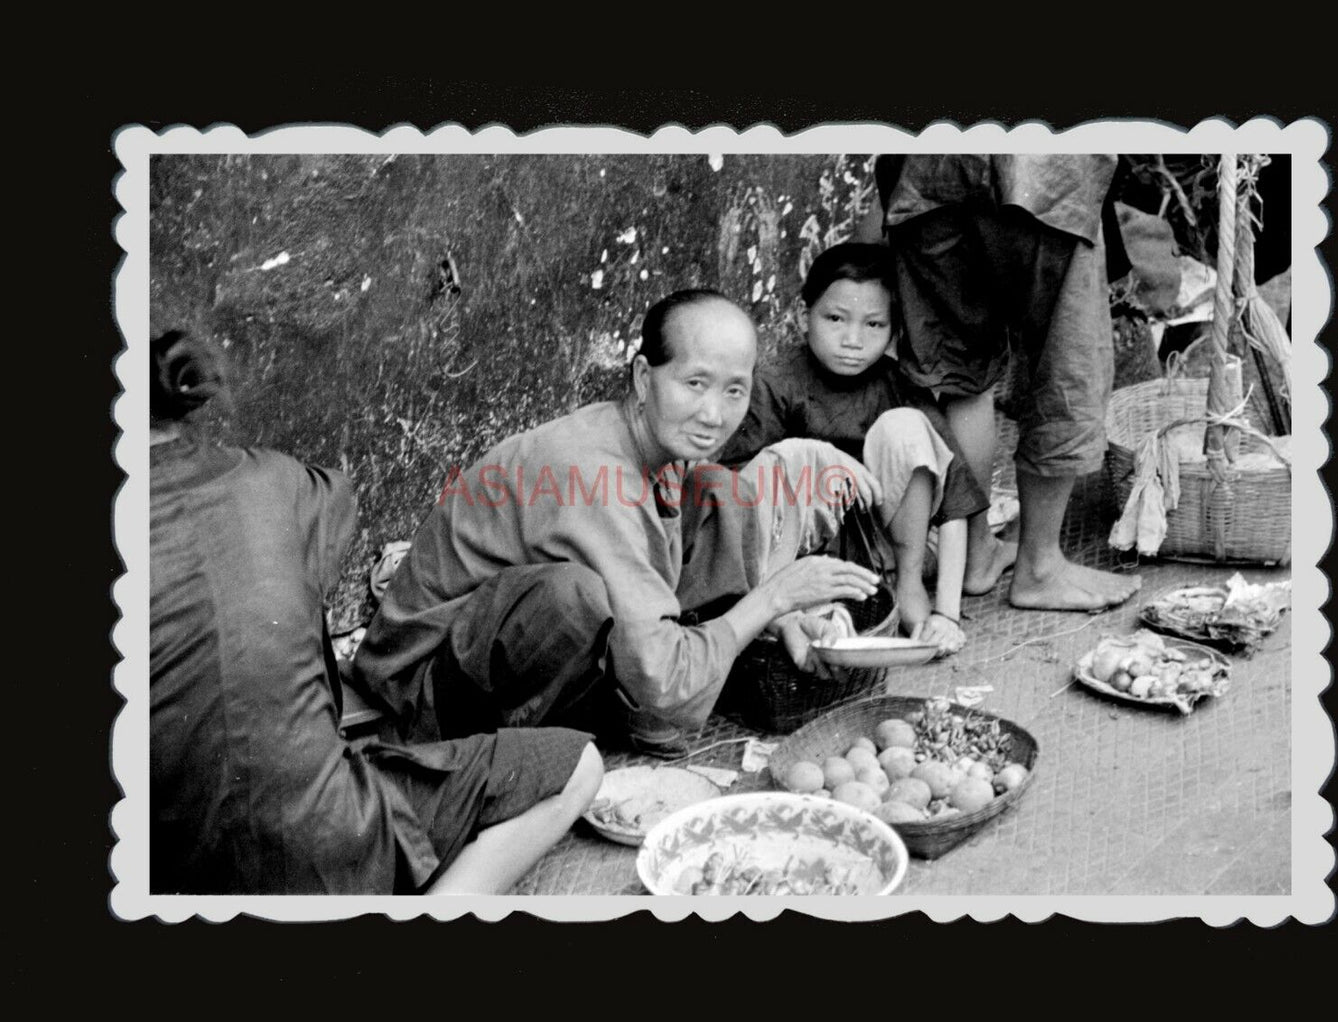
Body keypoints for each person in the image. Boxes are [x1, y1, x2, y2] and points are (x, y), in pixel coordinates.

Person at [149, 329, 603, 895]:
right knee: (578, 763)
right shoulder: (276, 480)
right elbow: (332, 500)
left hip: (170, 864)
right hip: (332, 840)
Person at [352, 289, 882, 758]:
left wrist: (782, 622)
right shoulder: (591, 468)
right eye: (695, 382)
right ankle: (477, 756)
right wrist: (774, 598)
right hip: (421, 687)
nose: (714, 414)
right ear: (643, 378)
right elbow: (662, 675)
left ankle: (624, 707)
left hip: (495, 657)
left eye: (734, 391)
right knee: (572, 598)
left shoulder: (661, 448)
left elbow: (663, 572)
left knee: (720, 494)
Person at [873, 154, 1143, 611]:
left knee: (963, 374)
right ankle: (1040, 566)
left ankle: (976, 555)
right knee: (1065, 365)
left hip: (929, 172)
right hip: (1046, 176)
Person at [717, 242, 991, 655]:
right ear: (802, 316)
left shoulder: (899, 383)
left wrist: (947, 615)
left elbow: (953, 504)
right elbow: (742, 491)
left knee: (905, 427)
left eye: (874, 325)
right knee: (788, 457)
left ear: (893, 330)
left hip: (886, 549)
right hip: (799, 553)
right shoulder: (775, 382)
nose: (852, 340)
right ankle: (794, 609)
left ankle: (909, 587)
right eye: (835, 318)